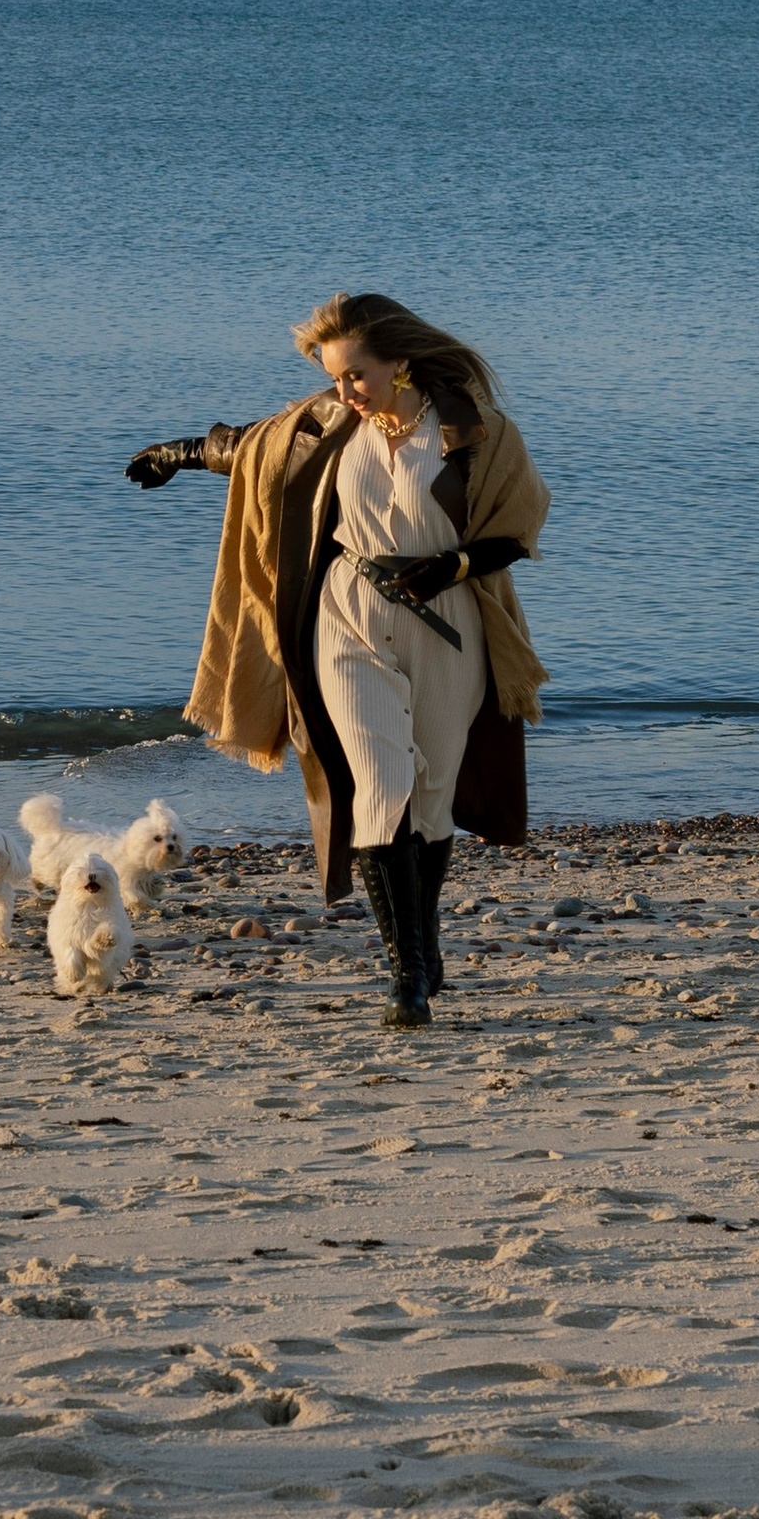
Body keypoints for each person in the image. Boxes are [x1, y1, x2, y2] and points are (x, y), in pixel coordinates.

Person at [127, 291, 549, 1028]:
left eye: (356, 375)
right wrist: (177, 454)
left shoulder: (474, 431)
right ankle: (408, 973)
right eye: (335, 377)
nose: (344, 391)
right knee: (378, 786)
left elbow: (518, 528)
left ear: (399, 362)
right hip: (348, 615)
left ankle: (423, 942)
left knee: (431, 793)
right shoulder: (325, 423)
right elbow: (249, 447)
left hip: (447, 621)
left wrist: (449, 568)